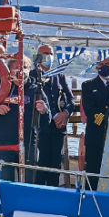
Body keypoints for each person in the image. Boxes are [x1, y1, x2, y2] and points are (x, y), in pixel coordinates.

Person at [0, 56, 43, 182]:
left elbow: (46, 121)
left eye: (25, 67)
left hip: (28, 144)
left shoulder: (36, 90)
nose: (21, 70)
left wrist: (44, 110)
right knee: (5, 182)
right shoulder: (0, 89)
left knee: (29, 183)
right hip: (4, 144)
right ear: (9, 71)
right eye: (17, 68)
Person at [33, 44, 76, 186]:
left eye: (51, 53)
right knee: (40, 164)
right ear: (38, 56)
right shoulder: (32, 76)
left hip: (58, 130)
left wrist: (65, 113)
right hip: (40, 130)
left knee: (55, 165)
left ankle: (53, 193)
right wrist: (53, 116)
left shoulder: (59, 76)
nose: (49, 56)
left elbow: (71, 100)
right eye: (45, 53)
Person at [80, 55, 109, 190]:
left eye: (107, 63)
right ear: (96, 66)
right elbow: (90, 110)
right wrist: (108, 119)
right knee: (93, 174)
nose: (104, 67)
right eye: (101, 64)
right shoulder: (88, 85)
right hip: (95, 135)